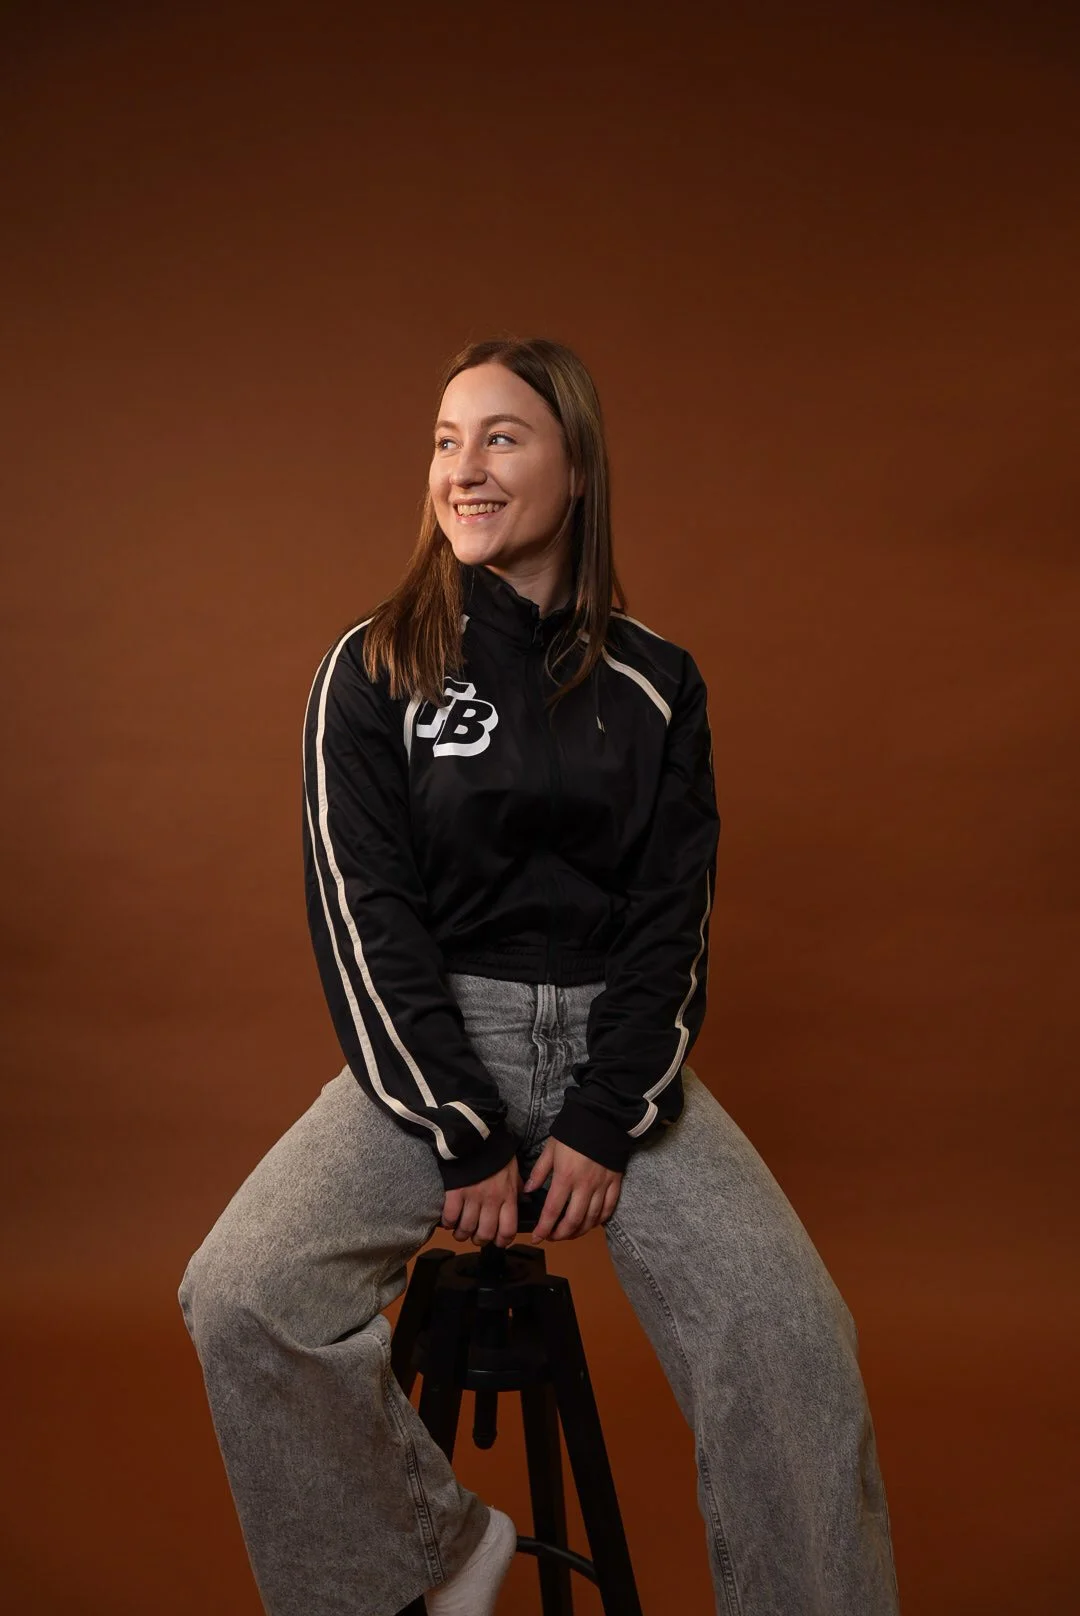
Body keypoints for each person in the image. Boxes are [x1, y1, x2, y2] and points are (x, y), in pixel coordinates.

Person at [178, 336, 901, 1616]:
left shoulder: (659, 682)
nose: (463, 468)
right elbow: (365, 919)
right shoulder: (373, 667)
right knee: (243, 1290)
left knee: (795, 1339)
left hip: (616, 1064)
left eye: (500, 437)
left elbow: (672, 925)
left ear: (577, 467)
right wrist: (459, 1127)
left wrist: (608, 1115)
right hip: (434, 1049)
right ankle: (433, 1554)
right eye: (445, 441)